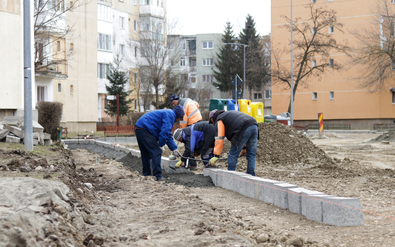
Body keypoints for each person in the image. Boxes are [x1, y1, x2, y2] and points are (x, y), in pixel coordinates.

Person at [134, 105, 184, 181]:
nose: (179, 119)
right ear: (179, 116)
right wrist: (160, 145)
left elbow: (167, 134)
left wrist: (174, 148)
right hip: (145, 129)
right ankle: (158, 176)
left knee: (145, 153)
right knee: (156, 152)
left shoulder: (169, 113)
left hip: (139, 127)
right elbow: (164, 132)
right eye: (180, 118)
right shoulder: (170, 115)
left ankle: (146, 174)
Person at [208, 109, 259, 176]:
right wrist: (245, 148)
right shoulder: (228, 115)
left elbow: (219, 138)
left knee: (233, 154)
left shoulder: (219, 119)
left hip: (243, 127)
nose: (213, 124)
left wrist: (216, 155)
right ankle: (251, 175)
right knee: (251, 154)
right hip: (254, 125)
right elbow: (241, 129)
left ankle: (230, 175)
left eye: (211, 122)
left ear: (212, 118)